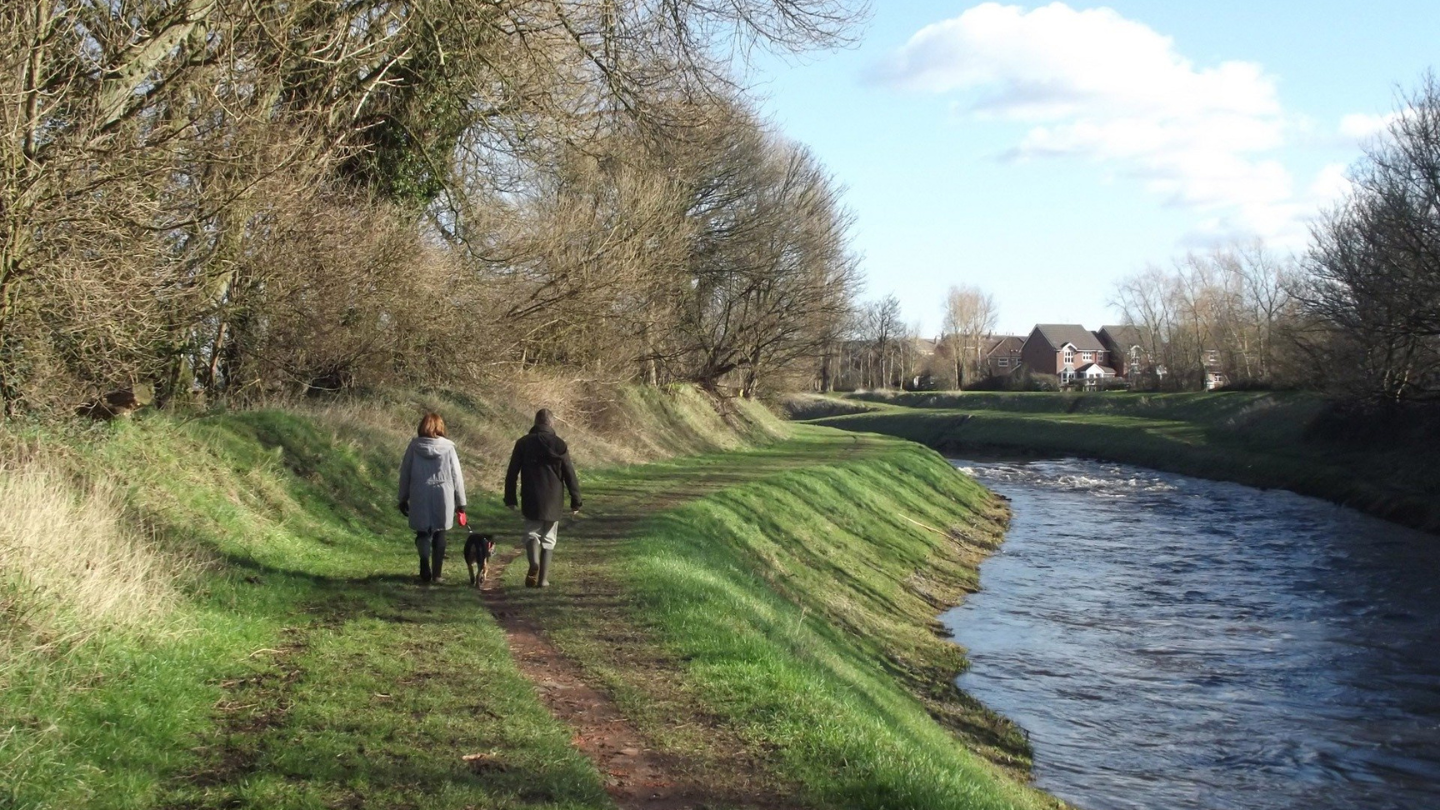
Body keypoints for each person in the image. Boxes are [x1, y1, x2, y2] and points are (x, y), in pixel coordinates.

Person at [504, 409, 582, 588]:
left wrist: (510, 498)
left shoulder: (523, 443)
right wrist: (576, 500)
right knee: (549, 538)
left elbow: (512, 472)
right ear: (551, 423)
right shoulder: (560, 444)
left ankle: (534, 563)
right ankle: (543, 580)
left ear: (535, 422)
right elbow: (570, 473)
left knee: (532, 532)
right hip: (554, 498)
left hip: (531, 496)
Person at [398, 412, 467, 584]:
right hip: (443, 493)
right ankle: (437, 574)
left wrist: (402, 497)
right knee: (440, 531)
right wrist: (461, 502)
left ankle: (424, 564)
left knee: (422, 531)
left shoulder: (414, 447)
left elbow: (405, 472)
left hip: (419, 491)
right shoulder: (449, 448)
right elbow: (456, 475)